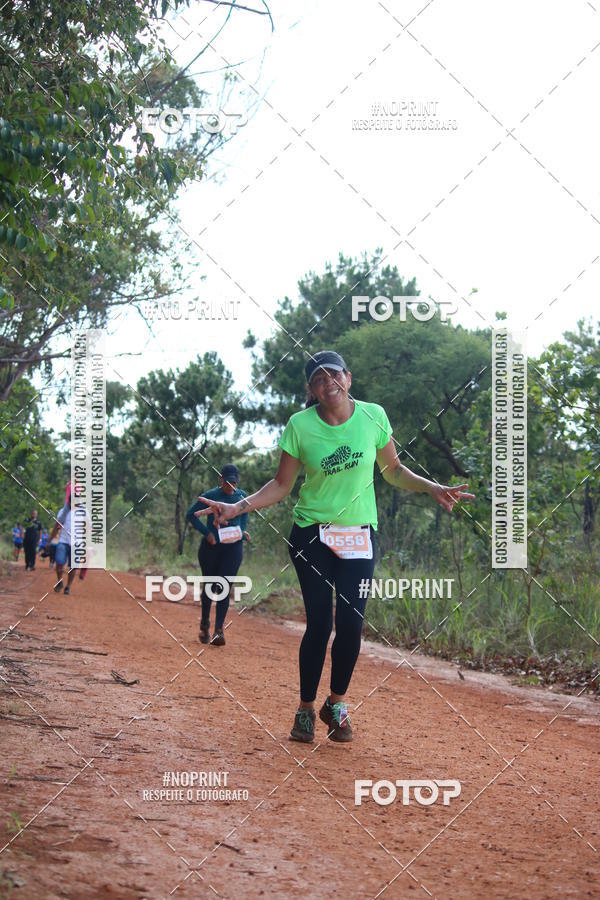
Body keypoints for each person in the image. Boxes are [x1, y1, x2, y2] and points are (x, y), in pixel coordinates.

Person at [195, 350, 475, 744]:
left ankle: (336, 704)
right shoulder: (300, 426)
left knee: (351, 624)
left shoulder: (374, 416)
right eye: (320, 379)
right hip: (312, 534)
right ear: (312, 389)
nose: (330, 383)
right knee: (320, 624)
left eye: (335, 375)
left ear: (349, 376)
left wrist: (432, 487)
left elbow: (393, 470)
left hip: (359, 535)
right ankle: (306, 709)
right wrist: (236, 506)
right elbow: (280, 485)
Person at [187, 464, 250, 646]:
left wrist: (242, 531)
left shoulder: (242, 496)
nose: (230, 487)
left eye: (234, 483)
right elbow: (191, 515)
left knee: (224, 586)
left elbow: (244, 515)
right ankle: (205, 623)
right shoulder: (210, 495)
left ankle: (219, 630)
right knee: (210, 586)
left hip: (233, 547)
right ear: (220, 479)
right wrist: (207, 533)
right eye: (227, 483)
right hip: (211, 548)